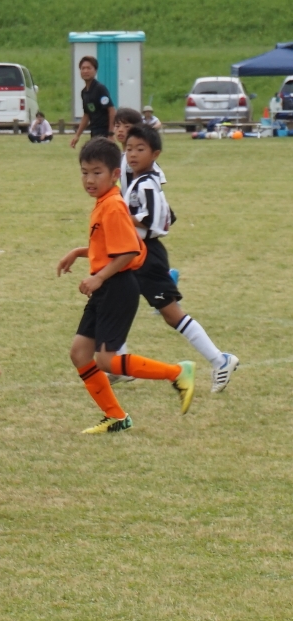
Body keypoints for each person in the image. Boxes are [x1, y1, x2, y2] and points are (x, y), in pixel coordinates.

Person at [56, 138, 195, 435]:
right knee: (80, 353)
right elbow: (110, 247)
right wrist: (78, 252)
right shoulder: (104, 203)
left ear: (115, 174)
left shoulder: (113, 206)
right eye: (84, 172)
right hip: (107, 287)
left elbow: (130, 251)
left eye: (97, 173)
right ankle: (116, 416)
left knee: (106, 359)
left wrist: (99, 277)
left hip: (118, 287)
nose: (89, 180)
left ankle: (177, 372)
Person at [118, 125, 239, 391]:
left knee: (172, 315)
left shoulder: (146, 184)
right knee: (114, 300)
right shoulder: (140, 182)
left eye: (140, 149)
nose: (133, 154)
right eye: (129, 149)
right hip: (135, 252)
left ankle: (220, 360)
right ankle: (116, 362)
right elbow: (169, 216)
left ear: (155, 154)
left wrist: (118, 217)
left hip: (146, 256)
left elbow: (152, 220)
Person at [70, 56, 116, 147]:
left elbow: (111, 110)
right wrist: (77, 135)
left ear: (95, 71)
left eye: (88, 68)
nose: (85, 71)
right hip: (94, 131)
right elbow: (87, 115)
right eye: (83, 68)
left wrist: (110, 134)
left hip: (104, 132)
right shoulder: (84, 92)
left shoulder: (100, 89)